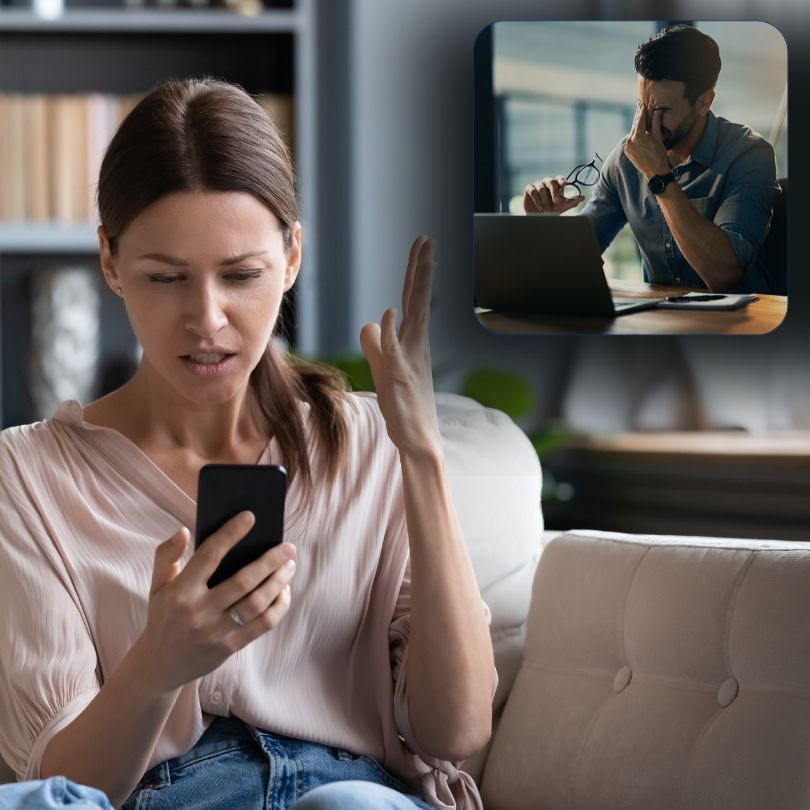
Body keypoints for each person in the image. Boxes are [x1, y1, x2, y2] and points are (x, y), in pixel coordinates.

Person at [0, 78, 496, 810]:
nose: (208, 320)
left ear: (291, 257)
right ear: (109, 260)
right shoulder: (29, 475)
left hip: (350, 791)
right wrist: (157, 665)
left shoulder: (372, 442)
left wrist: (421, 457)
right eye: (166, 277)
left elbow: (456, 730)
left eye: (242, 275)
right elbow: (63, 787)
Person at [523, 24, 779, 294]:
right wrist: (543, 227)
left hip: (741, 327)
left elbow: (724, 274)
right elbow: (577, 262)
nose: (646, 123)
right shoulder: (625, 159)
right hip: (657, 321)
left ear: (704, 102)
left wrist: (659, 177)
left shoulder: (750, 155)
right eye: (640, 105)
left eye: (662, 110)